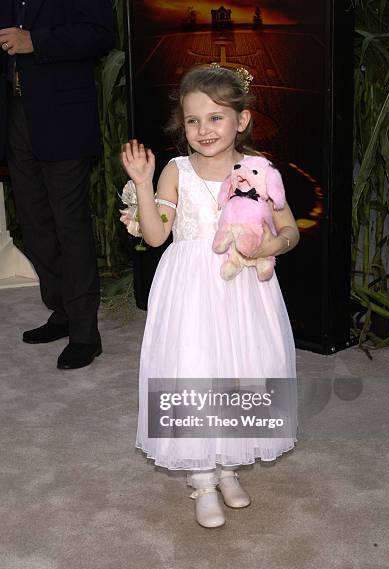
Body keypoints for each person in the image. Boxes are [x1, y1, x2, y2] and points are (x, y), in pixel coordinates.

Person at [121, 65, 300, 528]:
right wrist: (143, 184)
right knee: (194, 369)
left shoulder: (258, 171)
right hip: (190, 291)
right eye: (193, 120)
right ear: (182, 124)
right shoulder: (176, 171)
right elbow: (157, 236)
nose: (204, 129)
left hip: (244, 290)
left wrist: (271, 245)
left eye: (216, 118)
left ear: (240, 120)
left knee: (242, 369)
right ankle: (201, 478)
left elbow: (289, 229)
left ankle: (229, 466)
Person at [0, 1, 115, 369]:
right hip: (16, 113)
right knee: (34, 223)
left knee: (70, 224)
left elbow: (100, 34)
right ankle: (62, 312)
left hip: (63, 115)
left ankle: (85, 334)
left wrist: (37, 41)